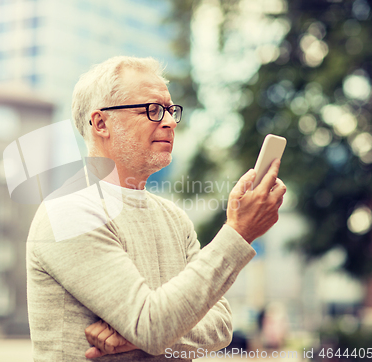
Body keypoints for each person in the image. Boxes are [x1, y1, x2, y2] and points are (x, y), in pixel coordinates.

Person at [26, 56, 286, 362]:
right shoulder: (69, 212)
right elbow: (151, 326)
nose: (171, 121)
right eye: (153, 110)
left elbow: (221, 327)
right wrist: (238, 232)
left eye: (171, 110)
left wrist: (142, 338)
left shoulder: (174, 218)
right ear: (100, 123)